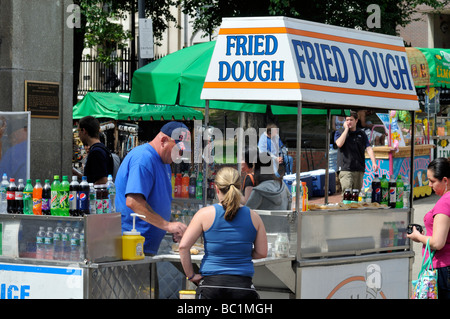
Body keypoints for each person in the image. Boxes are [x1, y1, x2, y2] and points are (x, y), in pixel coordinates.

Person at [179, 167, 267, 299]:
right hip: (243, 288)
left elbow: (183, 247)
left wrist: (191, 275)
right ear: (239, 188)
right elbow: (262, 252)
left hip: (211, 287)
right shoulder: (254, 217)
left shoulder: (204, 214)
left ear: (216, 188)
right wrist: (240, 251)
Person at [115, 121, 190, 255]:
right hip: (133, 246)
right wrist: (167, 225)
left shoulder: (164, 161)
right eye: (178, 149)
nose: (179, 155)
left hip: (146, 247)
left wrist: (173, 225)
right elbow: (133, 202)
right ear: (163, 141)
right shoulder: (143, 158)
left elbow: (157, 203)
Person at [407, 157, 450, 299]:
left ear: (445, 180)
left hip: (443, 268)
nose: (430, 185)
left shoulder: (444, 202)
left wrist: (418, 237)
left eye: (432, 181)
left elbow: (438, 243)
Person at [334, 111, 378, 192]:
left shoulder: (361, 133)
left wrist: (374, 162)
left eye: (351, 120)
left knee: (356, 195)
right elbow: (339, 144)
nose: (348, 122)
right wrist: (346, 129)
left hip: (359, 168)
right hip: (345, 169)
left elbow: (368, 148)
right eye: (347, 120)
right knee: (347, 193)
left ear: (356, 120)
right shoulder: (340, 132)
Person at [78, 116, 113, 184]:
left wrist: (86, 189)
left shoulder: (96, 152)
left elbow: (102, 181)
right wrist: (79, 175)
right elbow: (95, 176)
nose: (78, 134)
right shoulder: (102, 148)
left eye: (78, 131)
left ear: (84, 131)